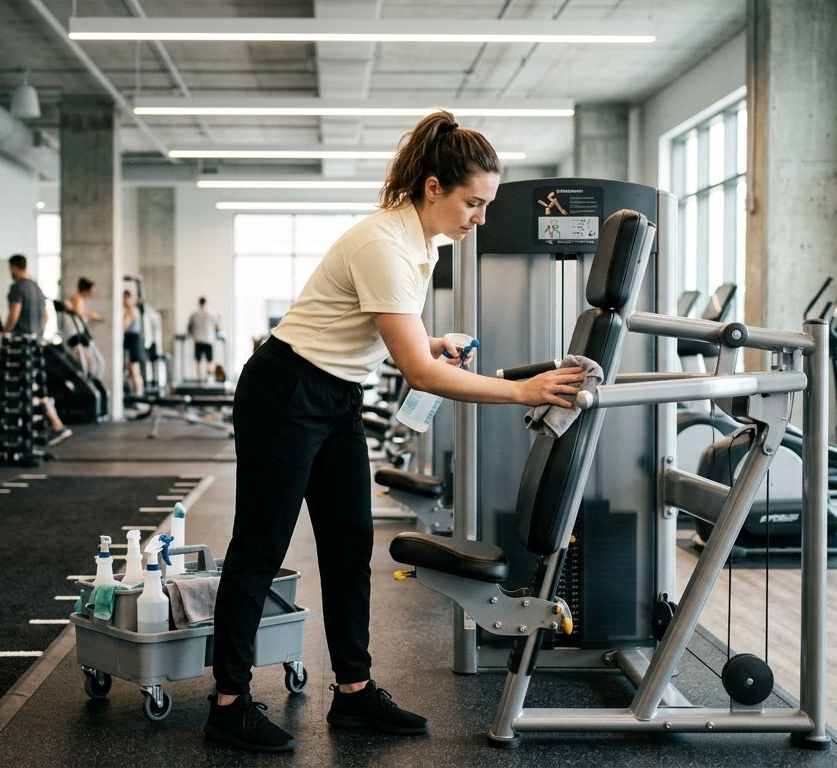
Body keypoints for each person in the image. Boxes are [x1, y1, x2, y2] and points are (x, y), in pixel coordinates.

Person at [205, 111, 586, 753]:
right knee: (261, 545)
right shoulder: (384, 244)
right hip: (285, 391)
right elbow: (420, 374)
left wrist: (430, 341)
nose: (480, 218)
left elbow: (386, 332)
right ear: (434, 188)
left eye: (487, 205)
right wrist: (523, 391)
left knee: (349, 543)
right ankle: (228, 705)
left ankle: (353, 693)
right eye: (473, 202)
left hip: (336, 393)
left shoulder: (422, 242)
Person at [3, 254, 72, 446]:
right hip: (35, 344)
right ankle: (56, 424)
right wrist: (39, 334)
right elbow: (46, 316)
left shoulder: (17, 287)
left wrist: (4, 333)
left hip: (20, 345)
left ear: (14, 267)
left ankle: (52, 425)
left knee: (25, 388)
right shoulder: (37, 288)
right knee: (37, 386)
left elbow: (14, 313)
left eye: (10, 269)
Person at [187, 296, 221, 382]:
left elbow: (189, 327)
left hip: (198, 340)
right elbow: (218, 327)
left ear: (199, 303)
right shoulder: (212, 314)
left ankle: (199, 380)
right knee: (209, 361)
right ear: (206, 303)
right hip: (208, 340)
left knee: (198, 361)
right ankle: (209, 379)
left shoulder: (194, 314)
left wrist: (193, 334)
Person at [122, 289, 145, 397]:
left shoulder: (131, 310)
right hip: (132, 340)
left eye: (124, 298)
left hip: (134, 341)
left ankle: (138, 395)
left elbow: (123, 327)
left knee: (134, 369)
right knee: (132, 370)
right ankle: (137, 394)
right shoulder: (131, 310)